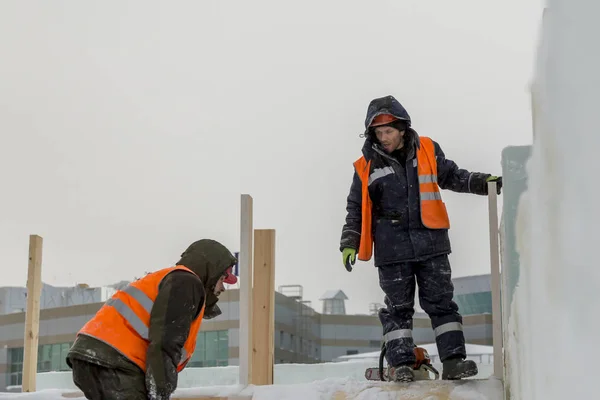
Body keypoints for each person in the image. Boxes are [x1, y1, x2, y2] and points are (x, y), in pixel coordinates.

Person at [339, 95, 502, 382]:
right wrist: (349, 242)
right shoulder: (365, 165)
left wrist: (482, 182)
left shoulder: (427, 149)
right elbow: (355, 206)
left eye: (388, 131)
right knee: (399, 310)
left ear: (402, 128)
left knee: (442, 304)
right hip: (392, 250)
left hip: (431, 244)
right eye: (378, 133)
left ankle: (453, 362)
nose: (384, 137)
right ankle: (401, 364)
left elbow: (452, 176)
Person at [66, 239, 238, 399]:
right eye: (222, 279)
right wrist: (160, 392)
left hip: (101, 356)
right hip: (114, 361)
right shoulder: (186, 282)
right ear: (210, 272)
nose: (222, 288)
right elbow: (166, 341)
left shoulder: (172, 279)